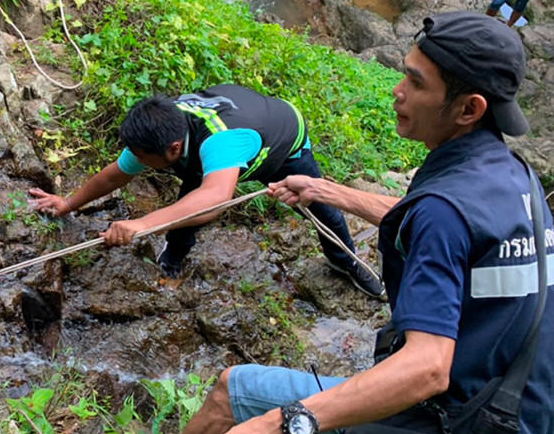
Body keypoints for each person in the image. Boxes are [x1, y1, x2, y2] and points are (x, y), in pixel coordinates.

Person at [168, 12, 554, 434]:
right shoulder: (513, 178)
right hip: (523, 423)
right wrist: (326, 191)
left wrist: (286, 423)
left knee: (231, 393)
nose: (397, 91)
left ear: (468, 109)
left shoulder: (444, 207)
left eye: (415, 82)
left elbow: (427, 367)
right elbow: (447, 232)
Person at [28, 85, 383, 298]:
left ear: (171, 149)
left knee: (323, 210)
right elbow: (116, 174)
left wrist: (142, 223)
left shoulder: (220, 142)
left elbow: (215, 199)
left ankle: (345, 262)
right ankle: (172, 259)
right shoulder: (161, 131)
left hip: (282, 146)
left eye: (142, 158)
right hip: (222, 152)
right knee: (186, 209)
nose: (135, 161)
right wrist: (68, 203)